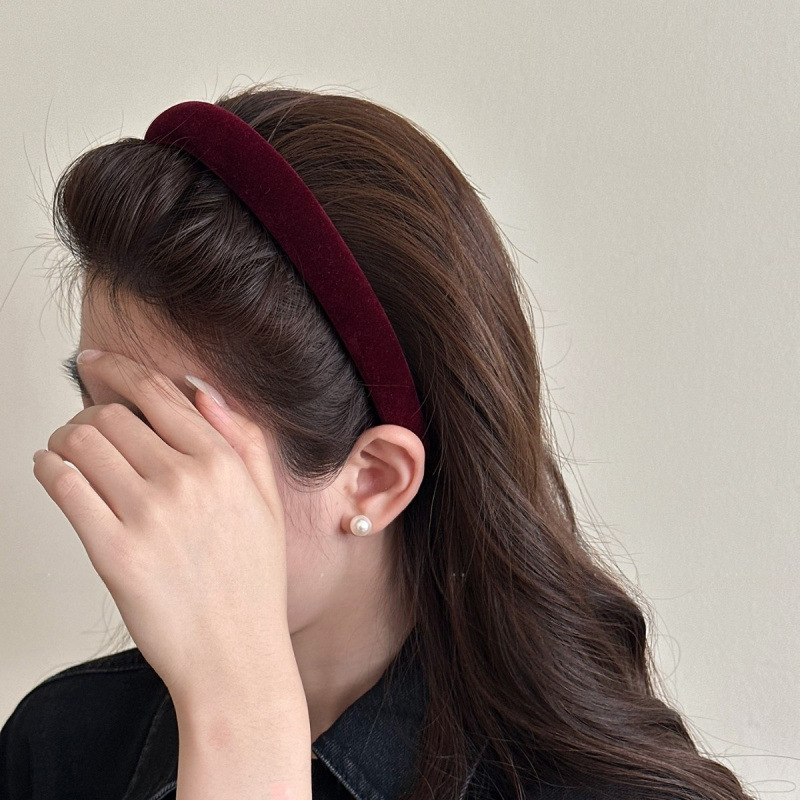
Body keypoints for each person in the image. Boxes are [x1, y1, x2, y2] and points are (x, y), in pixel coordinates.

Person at [0, 84, 756, 800]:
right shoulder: (61, 747)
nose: (95, 472)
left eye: (163, 432)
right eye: (94, 409)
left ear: (374, 479)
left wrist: (243, 717)